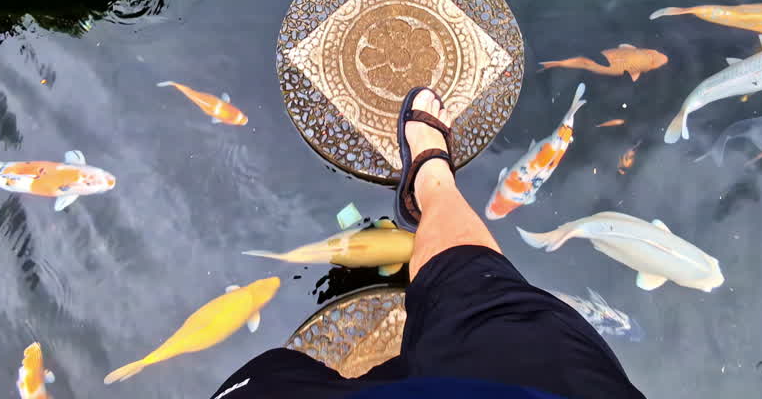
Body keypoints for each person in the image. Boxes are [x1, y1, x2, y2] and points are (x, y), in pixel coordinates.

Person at [211, 87, 647, 399]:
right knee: (488, 307)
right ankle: (433, 186)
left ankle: (433, 184)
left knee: (275, 376)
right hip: (540, 380)